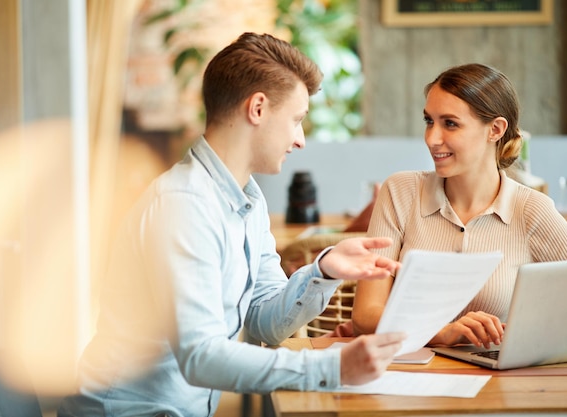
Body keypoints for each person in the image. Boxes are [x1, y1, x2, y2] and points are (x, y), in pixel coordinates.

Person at [57, 32, 406, 417]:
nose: (300, 140)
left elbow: (266, 323)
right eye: (296, 120)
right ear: (257, 108)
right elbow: (201, 357)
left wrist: (323, 271)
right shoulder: (183, 205)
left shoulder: (248, 200)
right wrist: (331, 368)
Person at [352, 63, 567, 349]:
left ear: (495, 130)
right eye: (429, 121)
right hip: (410, 377)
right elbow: (365, 315)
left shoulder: (531, 209)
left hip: (497, 383)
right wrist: (443, 332)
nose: (432, 139)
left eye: (450, 123)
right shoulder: (400, 192)